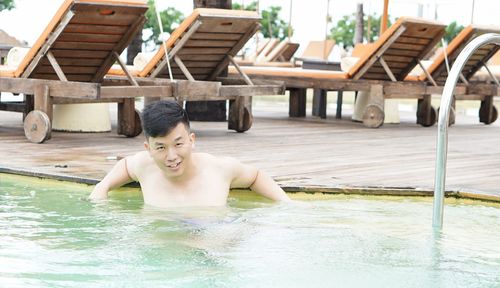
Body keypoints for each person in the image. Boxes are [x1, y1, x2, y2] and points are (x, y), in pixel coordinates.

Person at [88, 100, 291, 207]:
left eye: (178, 144)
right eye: (161, 147)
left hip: (211, 244)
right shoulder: (144, 165)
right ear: (148, 149)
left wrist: (287, 203)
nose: (171, 156)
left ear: (191, 140)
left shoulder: (219, 169)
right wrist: (102, 187)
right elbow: (124, 165)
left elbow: (255, 176)